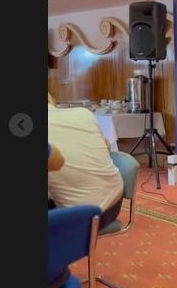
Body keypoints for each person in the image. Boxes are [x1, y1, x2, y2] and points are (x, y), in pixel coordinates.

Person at [48, 94, 124, 229]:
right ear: (51, 99)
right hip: (113, 205)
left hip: (73, 218)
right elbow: (106, 147)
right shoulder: (84, 113)